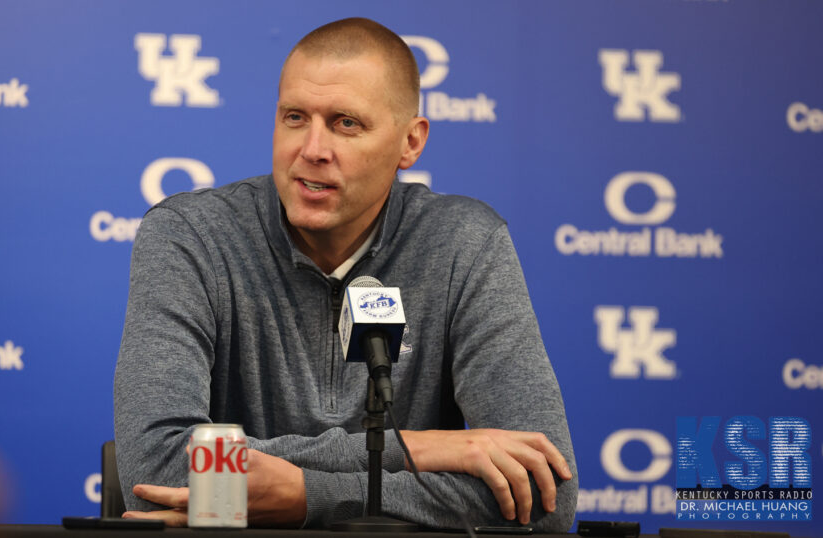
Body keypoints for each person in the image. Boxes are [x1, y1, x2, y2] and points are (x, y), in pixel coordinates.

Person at [114, 17, 577, 531]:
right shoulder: (191, 236)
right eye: (294, 117)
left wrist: (310, 495)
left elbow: (545, 493)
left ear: (411, 143)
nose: (312, 149)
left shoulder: (464, 244)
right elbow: (158, 465)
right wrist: (422, 449)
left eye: (345, 123)